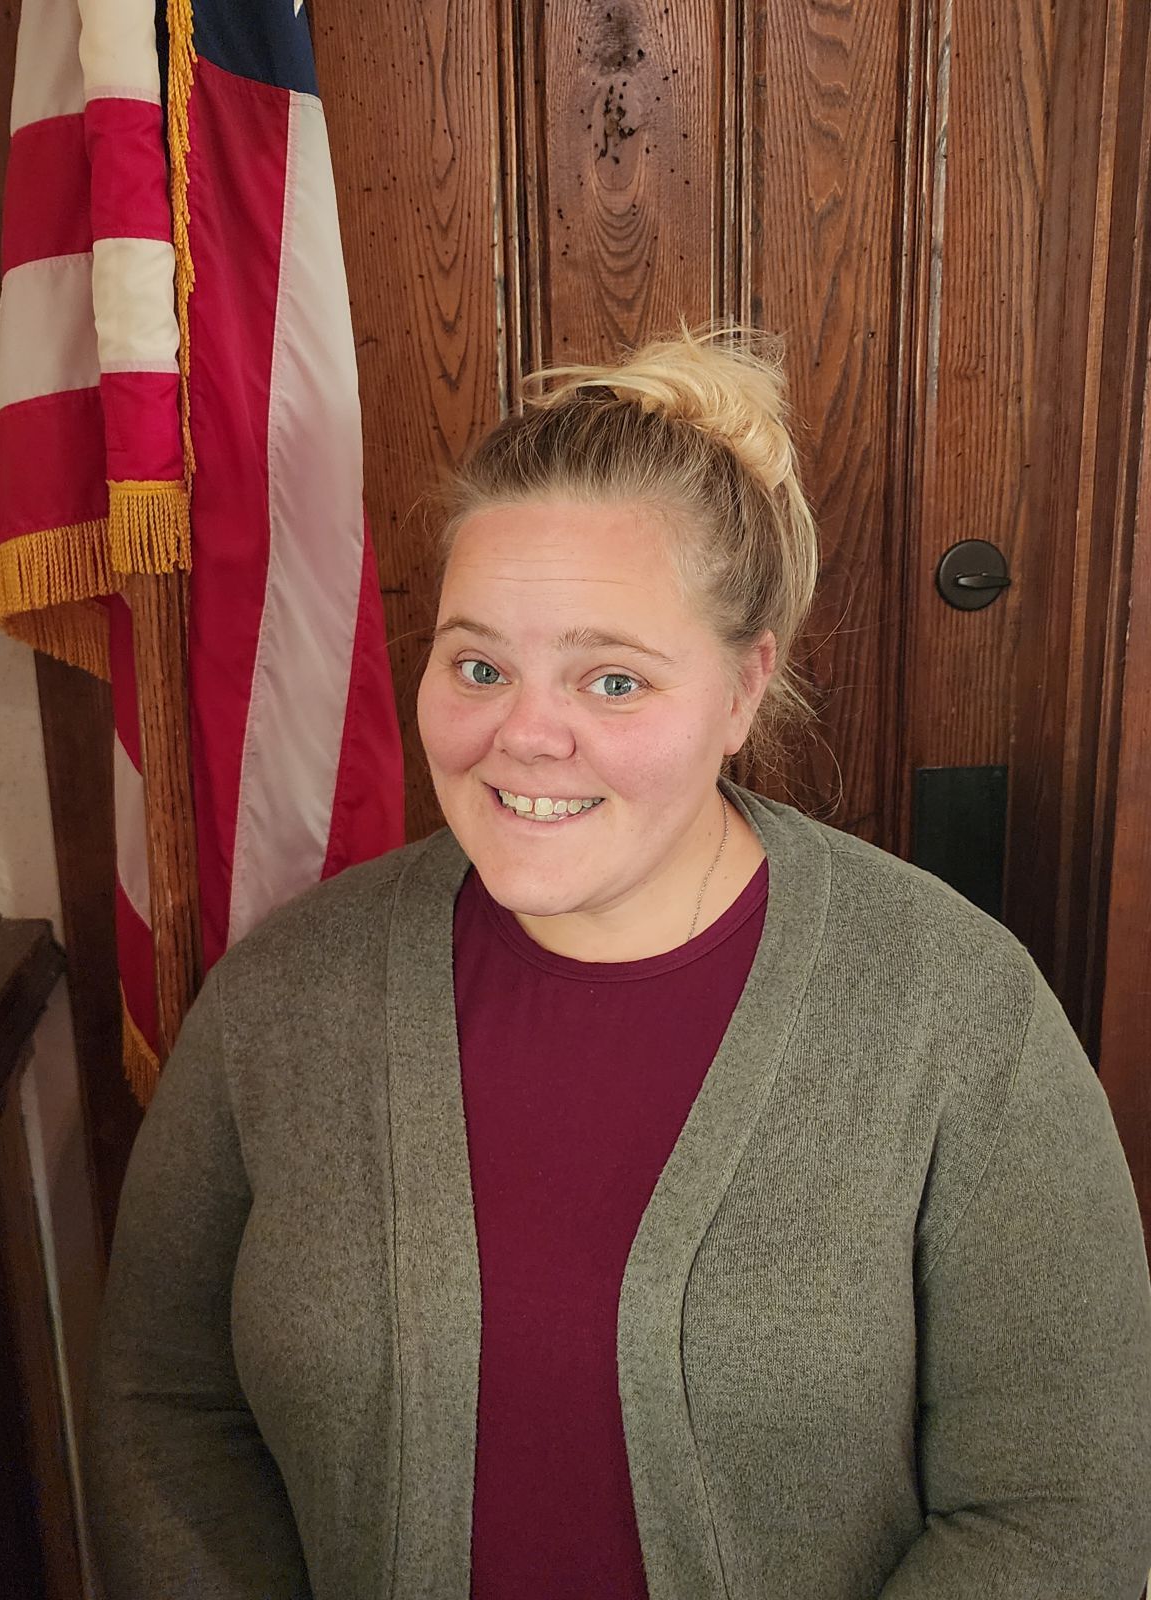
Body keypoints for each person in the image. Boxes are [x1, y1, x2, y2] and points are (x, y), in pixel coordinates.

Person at [83, 327, 1151, 1599]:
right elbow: (164, 1406)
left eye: (614, 679)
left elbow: (1058, 1514)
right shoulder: (283, 996)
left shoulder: (962, 1016)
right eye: (480, 664)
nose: (526, 735)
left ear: (745, 688)